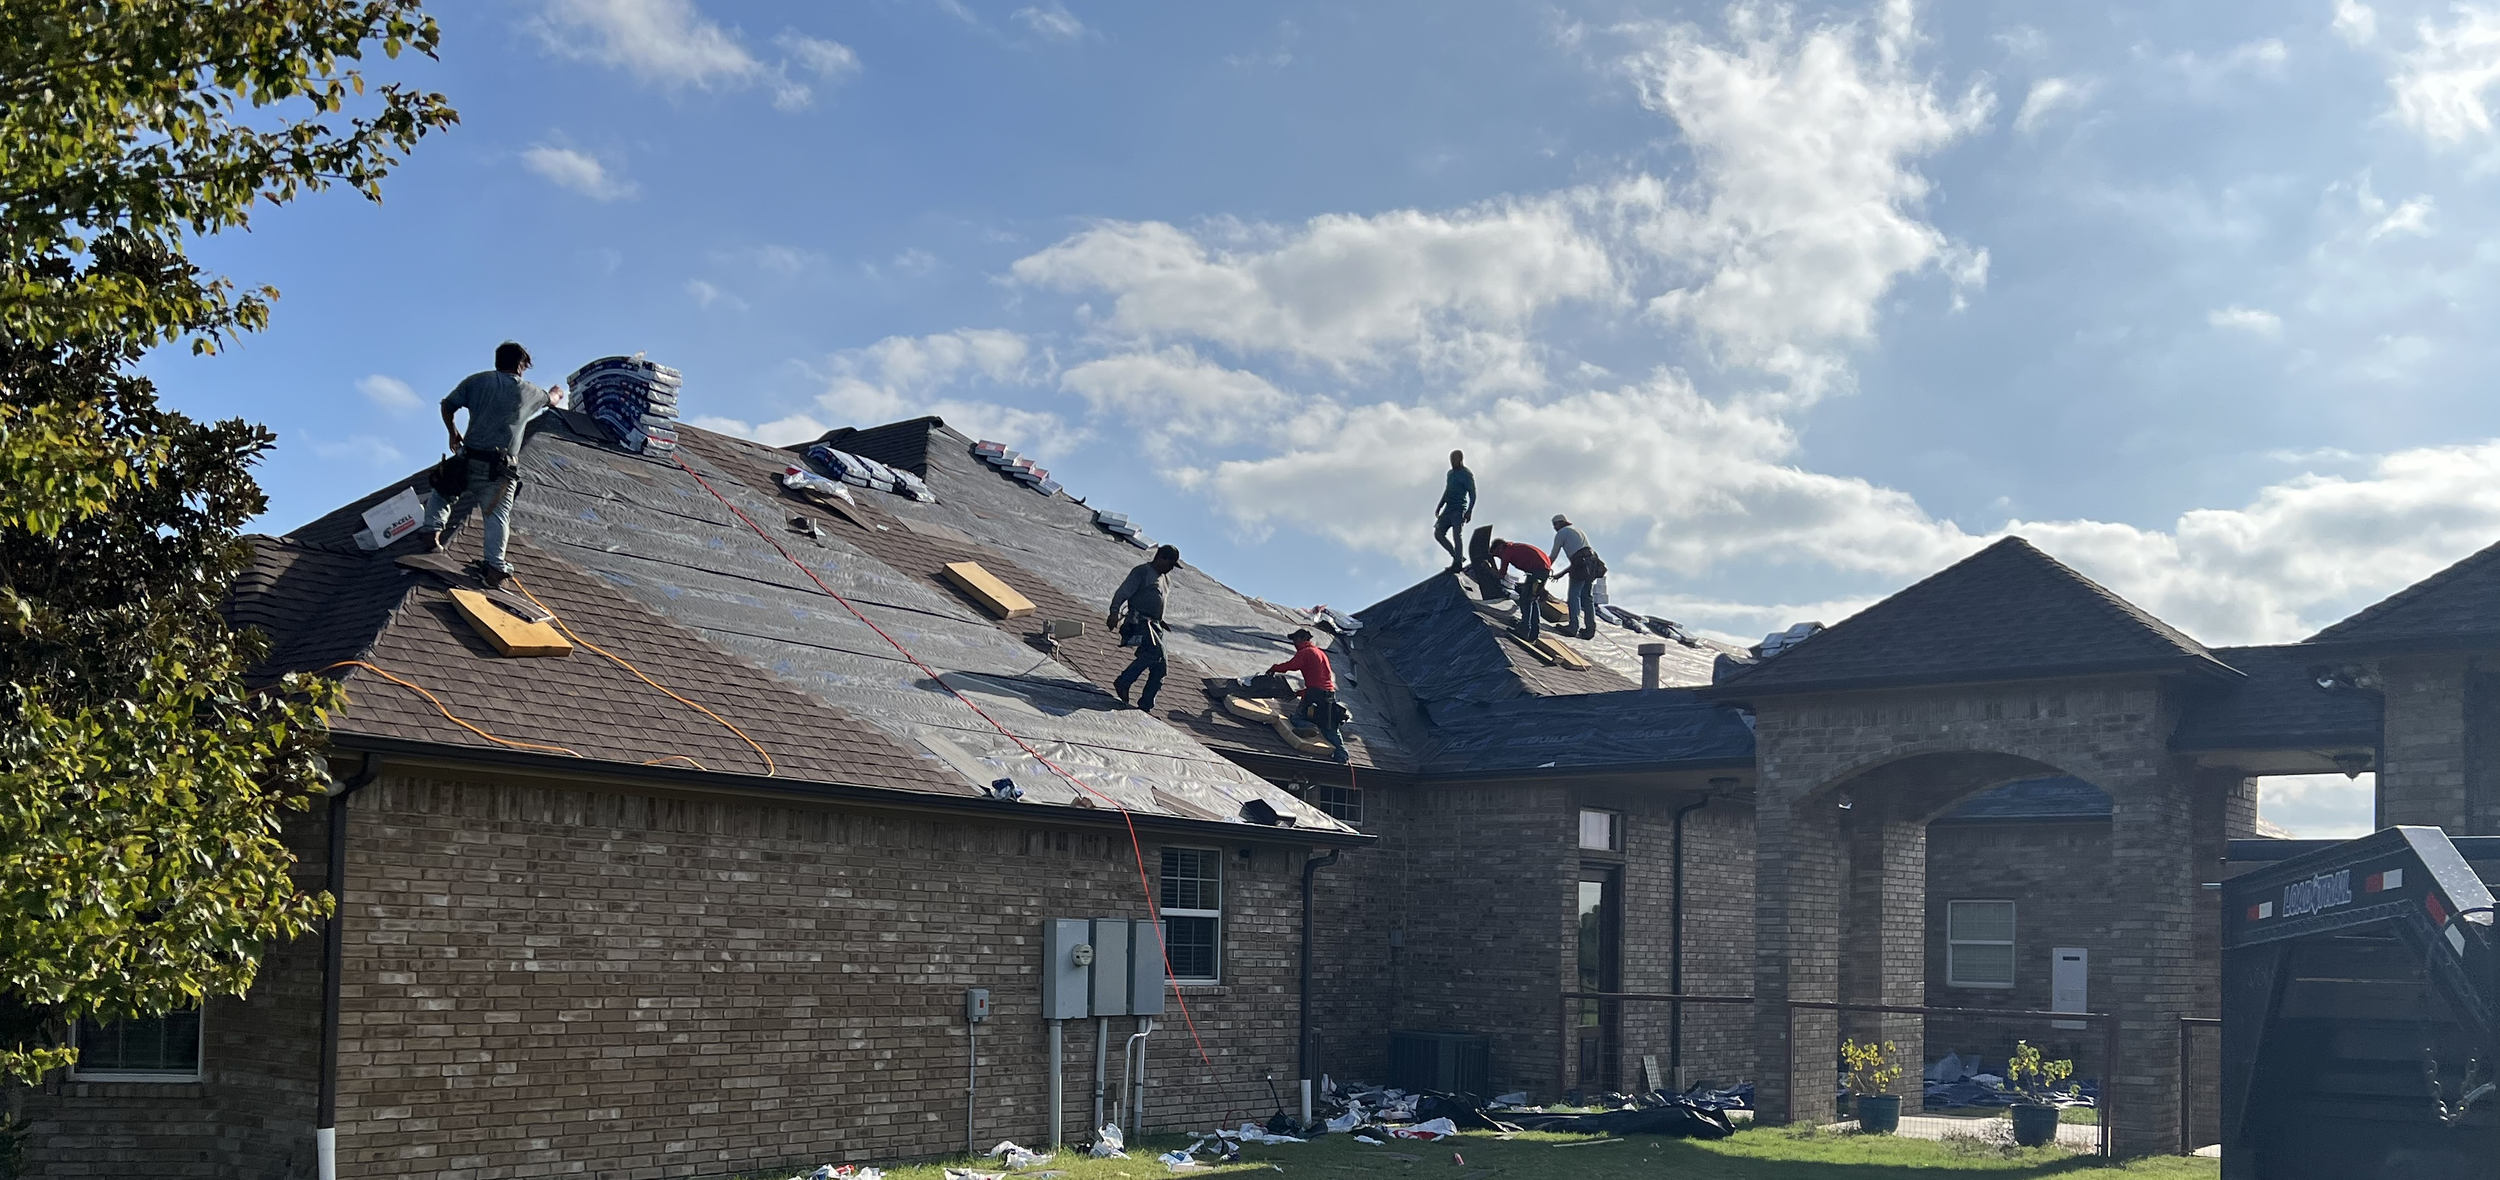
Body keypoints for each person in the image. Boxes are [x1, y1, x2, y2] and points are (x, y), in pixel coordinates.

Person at [416, 341, 553, 586]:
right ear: (521, 366)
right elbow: (552, 399)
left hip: (469, 458)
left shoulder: (478, 381)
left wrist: (452, 431)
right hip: (500, 469)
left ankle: (431, 532)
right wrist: (557, 392)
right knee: (497, 515)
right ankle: (495, 566)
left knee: (443, 489)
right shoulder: (529, 391)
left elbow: (447, 405)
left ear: (497, 361)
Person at [1107, 544, 1182, 711]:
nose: (1171, 569)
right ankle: (1124, 681)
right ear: (1161, 558)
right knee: (1155, 652)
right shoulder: (1143, 572)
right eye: (1170, 563)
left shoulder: (1165, 580)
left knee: (1161, 665)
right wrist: (1114, 612)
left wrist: (1160, 620)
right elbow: (1123, 592)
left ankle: (1146, 706)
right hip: (1139, 621)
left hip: (1155, 625)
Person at [1267, 628, 1348, 763]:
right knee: (1329, 727)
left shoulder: (1305, 652)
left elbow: (1292, 665)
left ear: (1302, 639)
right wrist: (1299, 693)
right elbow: (1320, 683)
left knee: (1297, 718)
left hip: (1315, 694)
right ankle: (1342, 756)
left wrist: (1275, 668)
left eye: (1295, 639)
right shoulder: (1320, 653)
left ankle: (1308, 727)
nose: (1294, 643)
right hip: (1329, 696)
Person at [1548, 513, 1606, 639]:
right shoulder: (1576, 531)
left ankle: (1573, 626)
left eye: (1555, 524)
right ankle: (1590, 629)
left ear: (1561, 522)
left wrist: (1545, 567)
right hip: (1591, 564)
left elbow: (1554, 555)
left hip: (1581, 565)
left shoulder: (1562, 533)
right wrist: (1561, 574)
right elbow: (1581, 558)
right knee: (1587, 596)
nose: (1554, 528)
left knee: (1574, 594)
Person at [1488, 536, 1553, 640]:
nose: (1500, 558)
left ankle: (1524, 630)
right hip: (1543, 570)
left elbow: (1501, 575)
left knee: (1525, 600)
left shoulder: (1507, 551)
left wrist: (1489, 569)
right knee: (1532, 599)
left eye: (1498, 555)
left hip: (1536, 571)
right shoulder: (1513, 547)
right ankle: (1533, 634)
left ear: (1500, 548)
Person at [1432, 450, 1476, 572]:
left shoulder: (1466, 474)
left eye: (1455, 460)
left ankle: (1457, 563)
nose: (1452, 463)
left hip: (1459, 509)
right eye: (1451, 460)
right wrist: (1440, 506)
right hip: (1448, 509)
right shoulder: (1450, 474)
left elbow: (1472, 493)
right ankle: (1457, 557)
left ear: (1460, 460)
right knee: (1438, 533)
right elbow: (1447, 490)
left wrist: (1469, 511)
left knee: (1457, 534)